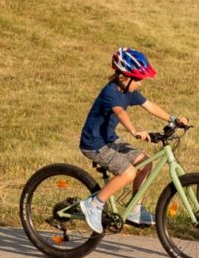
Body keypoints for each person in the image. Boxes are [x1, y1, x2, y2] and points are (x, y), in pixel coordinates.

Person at [77, 48, 188, 233]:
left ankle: (134, 209)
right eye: (136, 79)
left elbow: (149, 105)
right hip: (94, 143)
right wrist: (134, 131)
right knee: (128, 173)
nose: (139, 84)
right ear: (122, 76)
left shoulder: (129, 90)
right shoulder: (110, 91)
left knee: (146, 163)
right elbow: (120, 112)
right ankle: (94, 204)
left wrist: (173, 119)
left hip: (110, 139)